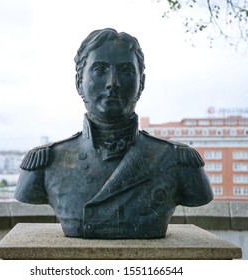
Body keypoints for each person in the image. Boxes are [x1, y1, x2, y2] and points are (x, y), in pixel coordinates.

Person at [15, 28, 213, 239]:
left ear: (141, 83)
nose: (113, 83)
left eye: (126, 71)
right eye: (100, 70)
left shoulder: (177, 161)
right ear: (78, 83)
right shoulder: (47, 163)